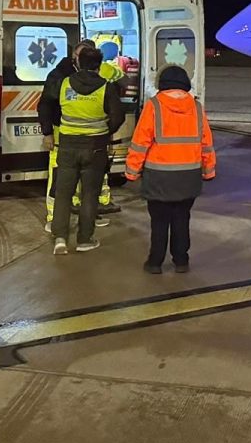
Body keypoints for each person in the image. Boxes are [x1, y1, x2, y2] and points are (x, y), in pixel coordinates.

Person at [125, 65, 216, 273]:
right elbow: (206, 142)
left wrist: (132, 170)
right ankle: (181, 260)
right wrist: (208, 170)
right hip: (189, 176)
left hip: (159, 176)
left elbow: (141, 141)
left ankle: (155, 262)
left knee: (159, 221)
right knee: (182, 219)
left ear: (161, 84)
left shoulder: (154, 106)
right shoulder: (196, 107)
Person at [47, 46, 124, 254]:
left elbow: (47, 102)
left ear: (78, 63)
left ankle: (60, 238)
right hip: (95, 147)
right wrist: (104, 130)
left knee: (63, 193)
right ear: (98, 66)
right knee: (90, 195)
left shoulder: (64, 84)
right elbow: (118, 117)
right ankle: (84, 240)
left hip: (68, 145)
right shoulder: (106, 87)